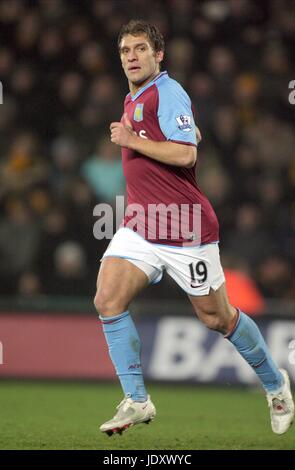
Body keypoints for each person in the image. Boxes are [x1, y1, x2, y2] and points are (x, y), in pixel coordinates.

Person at [94, 19, 294, 436]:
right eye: (125, 50)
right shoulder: (138, 97)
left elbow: (185, 155)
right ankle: (136, 400)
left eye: (140, 49)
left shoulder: (166, 90)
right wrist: (184, 131)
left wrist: (132, 142)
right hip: (142, 223)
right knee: (107, 298)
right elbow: (185, 135)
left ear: (158, 54)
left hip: (185, 227)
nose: (132, 57)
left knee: (217, 319)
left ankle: (276, 385)